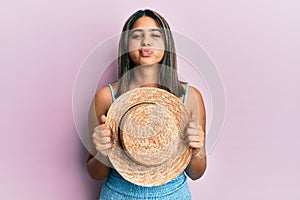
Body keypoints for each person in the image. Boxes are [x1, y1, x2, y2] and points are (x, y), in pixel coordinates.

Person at [87, 9, 207, 199]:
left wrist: (197, 149)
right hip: (118, 194)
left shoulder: (190, 97)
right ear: (126, 45)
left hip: (174, 195)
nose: (146, 42)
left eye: (155, 35)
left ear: (167, 44)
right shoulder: (106, 98)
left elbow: (196, 173)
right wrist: (103, 152)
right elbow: (94, 173)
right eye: (137, 36)